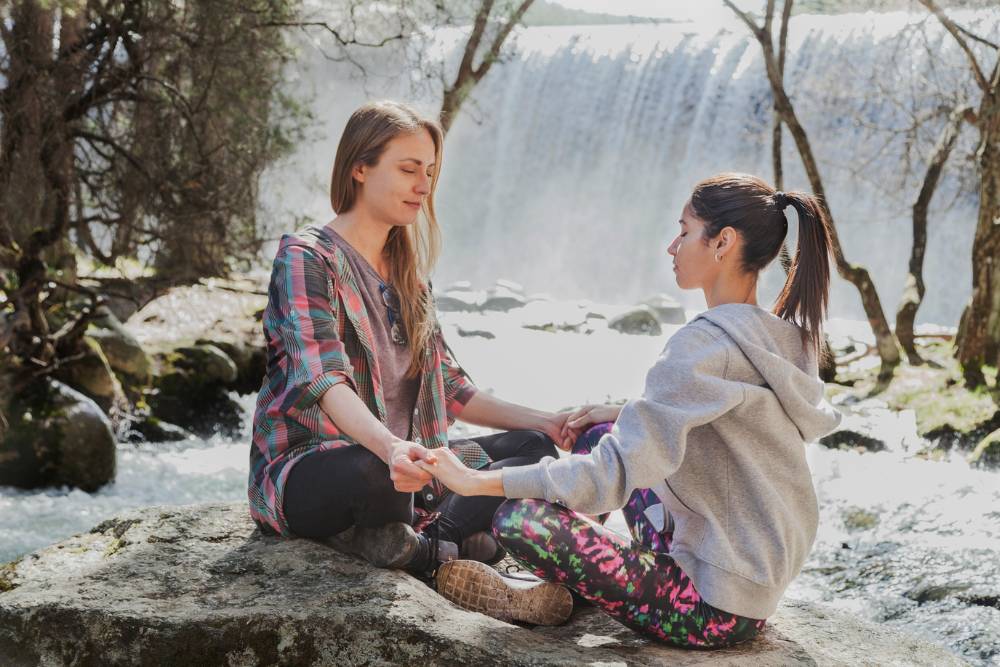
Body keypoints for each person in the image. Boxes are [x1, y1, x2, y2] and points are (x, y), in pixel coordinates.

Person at [419, 173, 843, 646]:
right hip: (748, 574)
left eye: (684, 232)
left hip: (709, 607)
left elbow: (612, 475)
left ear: (722, 242)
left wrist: (476, 481)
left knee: (518, 518)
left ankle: (559, 590)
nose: (671, 247)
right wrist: (622, 411)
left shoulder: (702, 344)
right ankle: (561, 589)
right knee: (597, 432)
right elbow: (724, 411)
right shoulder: (780, 339)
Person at [248, 100, 571, 575]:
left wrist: (546, 421)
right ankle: (459, 544)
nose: (423, 186)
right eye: (408, 169)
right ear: (360, 167)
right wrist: (391, 447)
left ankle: (430, 543)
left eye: (430, 172)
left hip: (410, 466)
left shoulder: (409, 278)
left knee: (532, 451)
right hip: (317, 468)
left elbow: (453, 387)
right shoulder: (307, 258)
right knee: (376, 472)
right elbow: (324, 381)